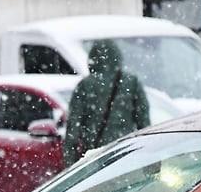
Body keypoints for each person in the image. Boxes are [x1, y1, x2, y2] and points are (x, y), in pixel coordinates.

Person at [62, 39, 151, 167]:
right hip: (125, 153)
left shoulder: (85, 86)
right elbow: (145, 125)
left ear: (92, 58)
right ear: (117, 57)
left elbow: (73, 132)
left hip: (95, 157)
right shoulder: (132, 83)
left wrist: (70, 166)